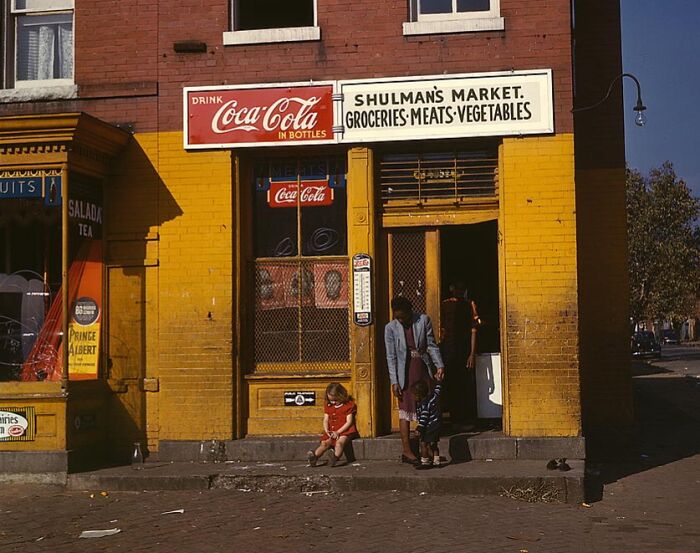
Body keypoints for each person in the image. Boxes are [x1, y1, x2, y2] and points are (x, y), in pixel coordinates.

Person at [384, 296, 445, 465]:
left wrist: (439, 365)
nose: (401, 320)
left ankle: (425, 450)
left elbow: (431, 345)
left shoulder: (423, 320)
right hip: (404, 373)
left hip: (422, 369)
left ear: (410, 311)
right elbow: (391, 356)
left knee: (424, 407)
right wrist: (394, 381)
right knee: (405, 409)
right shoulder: (390, 328)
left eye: (403, 316)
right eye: (398, 317)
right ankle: (407, 450)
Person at [440, 282, 479, 425]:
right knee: (451, 383)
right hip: (448, 349)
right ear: (452, 288)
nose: (460, 291)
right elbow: (441, 329)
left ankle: (464, 418)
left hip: (463, 349)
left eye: (462, 289)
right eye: (458, 288)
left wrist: (472, 353)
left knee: (464, 384)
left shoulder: (469, 305)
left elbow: (473, 329)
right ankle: (454, 417)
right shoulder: (444, 305)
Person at [306, 382, 358, 467]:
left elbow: (349, 422)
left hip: (344, 431)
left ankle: (334, 457)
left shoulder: (348, 405)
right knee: (324, 444)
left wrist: (338, 432)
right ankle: (314, 456)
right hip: (331, 430)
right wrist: (326, 430)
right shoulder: (328, 405)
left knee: (339, 443)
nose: (333, 402)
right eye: (331, 400)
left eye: (335, 400)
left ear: (342, 396)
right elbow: (326, 419)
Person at [411, 380, 443, 470]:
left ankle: (425, 461)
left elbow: (424, 418)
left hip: (429, 426)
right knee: (434, 444)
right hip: (436, 425)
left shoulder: (424, 405)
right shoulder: (433, 398)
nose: (412, 397)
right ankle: (437, 461)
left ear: (418, 395)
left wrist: (419, 429)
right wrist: (439, 383)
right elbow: (437, 391)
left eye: (413, 395)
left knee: (423, 444)